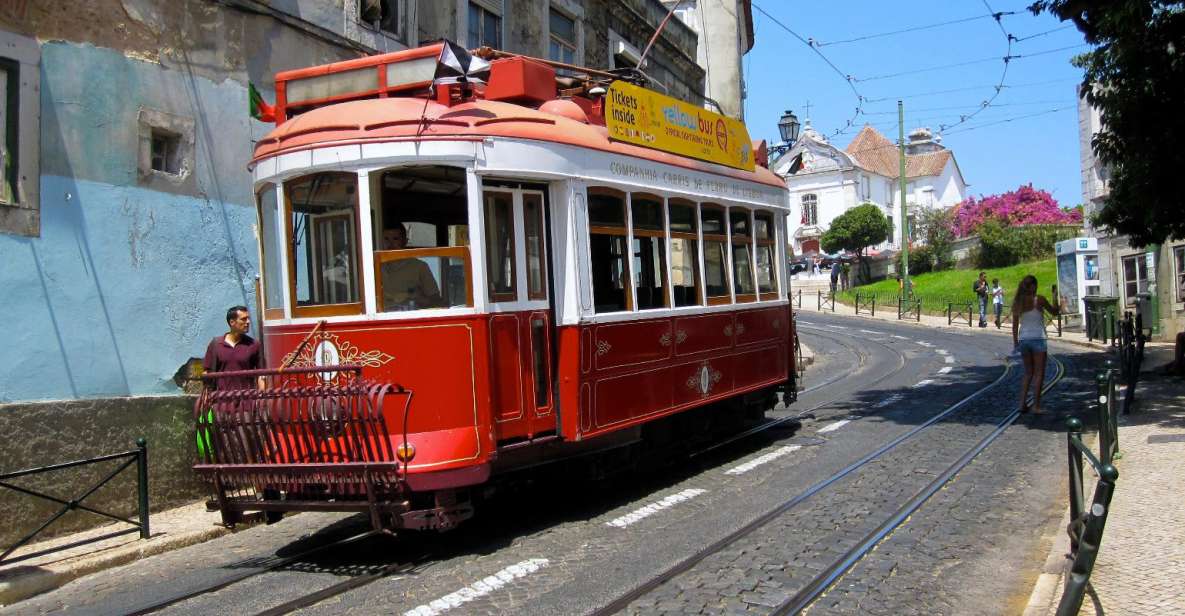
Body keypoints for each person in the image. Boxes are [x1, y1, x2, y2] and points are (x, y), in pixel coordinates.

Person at [1012, 276, 1060, 414]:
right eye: (1036, 285)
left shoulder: (1018, 302)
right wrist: (1055, 296)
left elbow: (1014, 326)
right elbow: (1054, 312)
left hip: (1023, 340)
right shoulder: (1039, 299)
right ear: (1033, 286)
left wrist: (1016, 343)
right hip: (1038, 338)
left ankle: (1022, 404)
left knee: (1028, 373)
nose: (1037, 287)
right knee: (1039, 374)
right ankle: (1036, 405)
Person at [379, 223, 443, 310]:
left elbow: (437, 302)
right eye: (386, 239)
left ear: (405, 241)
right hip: (382, 319)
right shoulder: (375, 268)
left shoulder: (420, 267)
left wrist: (416, 297)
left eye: (395, 239)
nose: (390, 244)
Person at [202, 306, 262, 390]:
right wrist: (207, 394)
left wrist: (262, 397)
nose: (248, 322)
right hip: (222, 399)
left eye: (248, 318)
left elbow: (262, 374)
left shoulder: (254, 345)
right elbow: (207, 372)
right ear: (232, 322)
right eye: (243, 319)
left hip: (246, 399)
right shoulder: (216, 344)